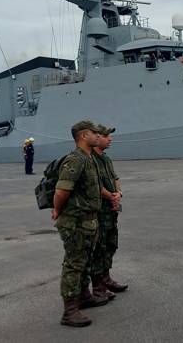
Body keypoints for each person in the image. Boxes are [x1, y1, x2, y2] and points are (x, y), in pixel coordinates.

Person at [52, 120, 107, 328]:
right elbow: (61, 190)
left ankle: (84, 296)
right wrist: (57, 210)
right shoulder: (75, 160)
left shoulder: (89, 158)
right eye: (94, 133)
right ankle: (70, 311)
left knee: (85, 261)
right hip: (75, 222)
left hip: (88, 221)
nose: (97, 136)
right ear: (84, 136)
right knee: (74, 264)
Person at [91, 125, 128, 302]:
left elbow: (115, 178)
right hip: (99, 210)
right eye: (106, 136)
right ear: (96, 138)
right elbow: (95, 186)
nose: (110, 139)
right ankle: (98, 287)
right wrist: (111, 196)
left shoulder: (106, 159)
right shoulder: (90, 159)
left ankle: (106, 279)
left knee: (110, 244)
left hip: (111, 210)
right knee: (99, 248)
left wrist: (118, 194)